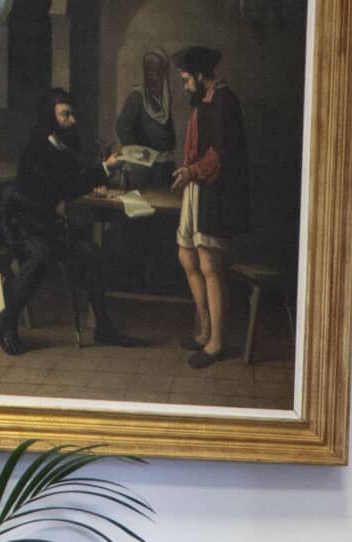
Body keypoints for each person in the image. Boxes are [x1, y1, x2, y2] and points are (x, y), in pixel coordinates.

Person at [0, 87, 141, 357]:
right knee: (40, 256)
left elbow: (76, 180)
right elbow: (63, 185)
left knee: (92, 254)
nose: (72, 121)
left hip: (47, 224)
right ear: (49, 118)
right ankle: (8, 321)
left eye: (72, 114)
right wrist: (104, 169)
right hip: (21, 223)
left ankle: (103, 327)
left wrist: (99, 174)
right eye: (65, 115)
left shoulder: (61, 149)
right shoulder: (36, 150)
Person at [171, 45, 248, 370]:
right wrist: (189, 171)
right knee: (187, 256)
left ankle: (216, 341)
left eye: (187, 79)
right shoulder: (204, 100)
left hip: (216, 191)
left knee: (210, 266)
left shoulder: (224, 101)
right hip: (196, 186)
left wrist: (191, 172)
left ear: (201, 75)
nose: (185, 85)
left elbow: (219, 155)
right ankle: (203, 330)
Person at [111, 48, 177, 190]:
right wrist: (138, 155)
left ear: (164, 73)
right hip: (144, 169)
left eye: (156, 71)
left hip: (165, 167)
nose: (151, 76)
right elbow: (122, 127)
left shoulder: (164, 99)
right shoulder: (137, 97)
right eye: (148, 70)